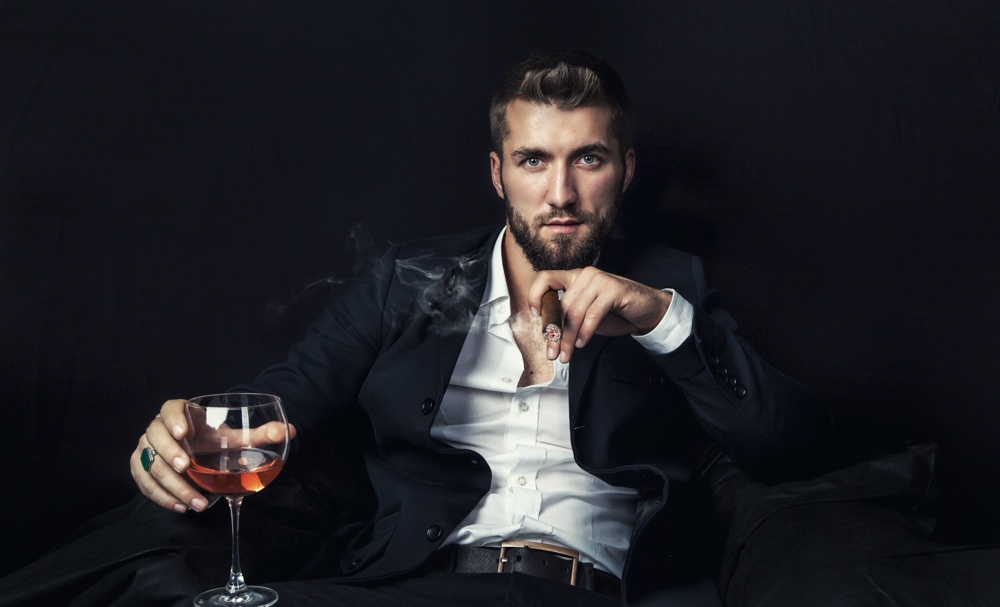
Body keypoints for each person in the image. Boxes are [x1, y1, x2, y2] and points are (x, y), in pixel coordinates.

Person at [129, 49, 833, 606]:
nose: (561, 194)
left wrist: (663, 320)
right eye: (534, 160)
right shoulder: (409, 279)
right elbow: (286, 398)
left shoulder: (672, 285)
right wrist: (188, 430)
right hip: (414, 585)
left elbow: (789, 444)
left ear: (624, 169)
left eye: (587, 158)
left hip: (593, 592)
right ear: (499, 173)